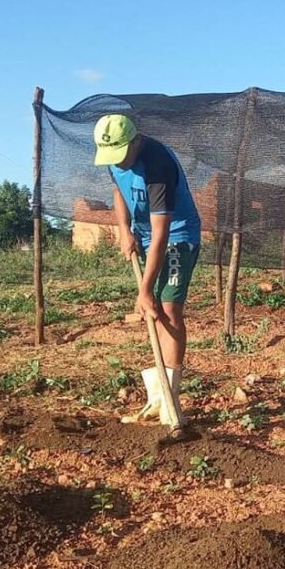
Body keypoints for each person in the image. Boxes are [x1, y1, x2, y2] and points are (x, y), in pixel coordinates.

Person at [93, 114, 201, 424]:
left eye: (122, 155)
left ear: (136, 141)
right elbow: (118, 191)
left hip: (178, 235)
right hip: (144, 232)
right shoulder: (115, 159)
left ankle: (170, 399)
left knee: (168, 310)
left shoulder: (157, 166)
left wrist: (145, 291)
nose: (119, 163)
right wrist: (124, 229)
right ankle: (158, 397)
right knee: (156, 311)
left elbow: (162, 233)